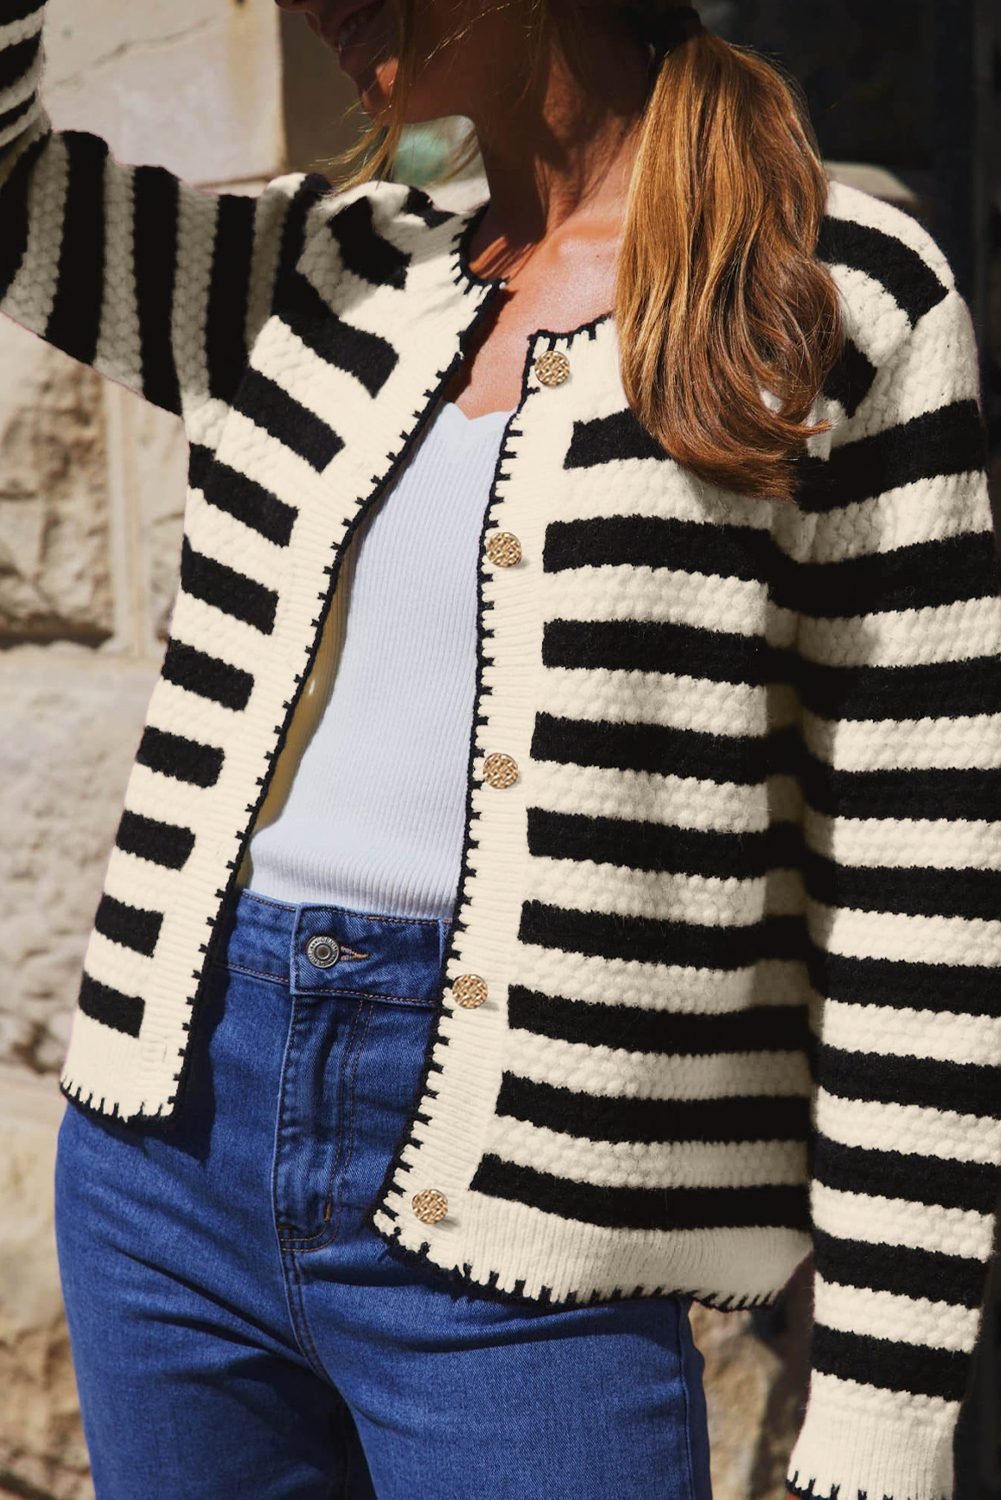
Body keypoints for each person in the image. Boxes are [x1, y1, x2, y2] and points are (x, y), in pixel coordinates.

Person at [1, 0, 998, 1495]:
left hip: (541, 1222)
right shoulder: (322, 272)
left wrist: (886, 1420)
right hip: (167, 1160)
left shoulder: (837, 294)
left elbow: (918, 885)